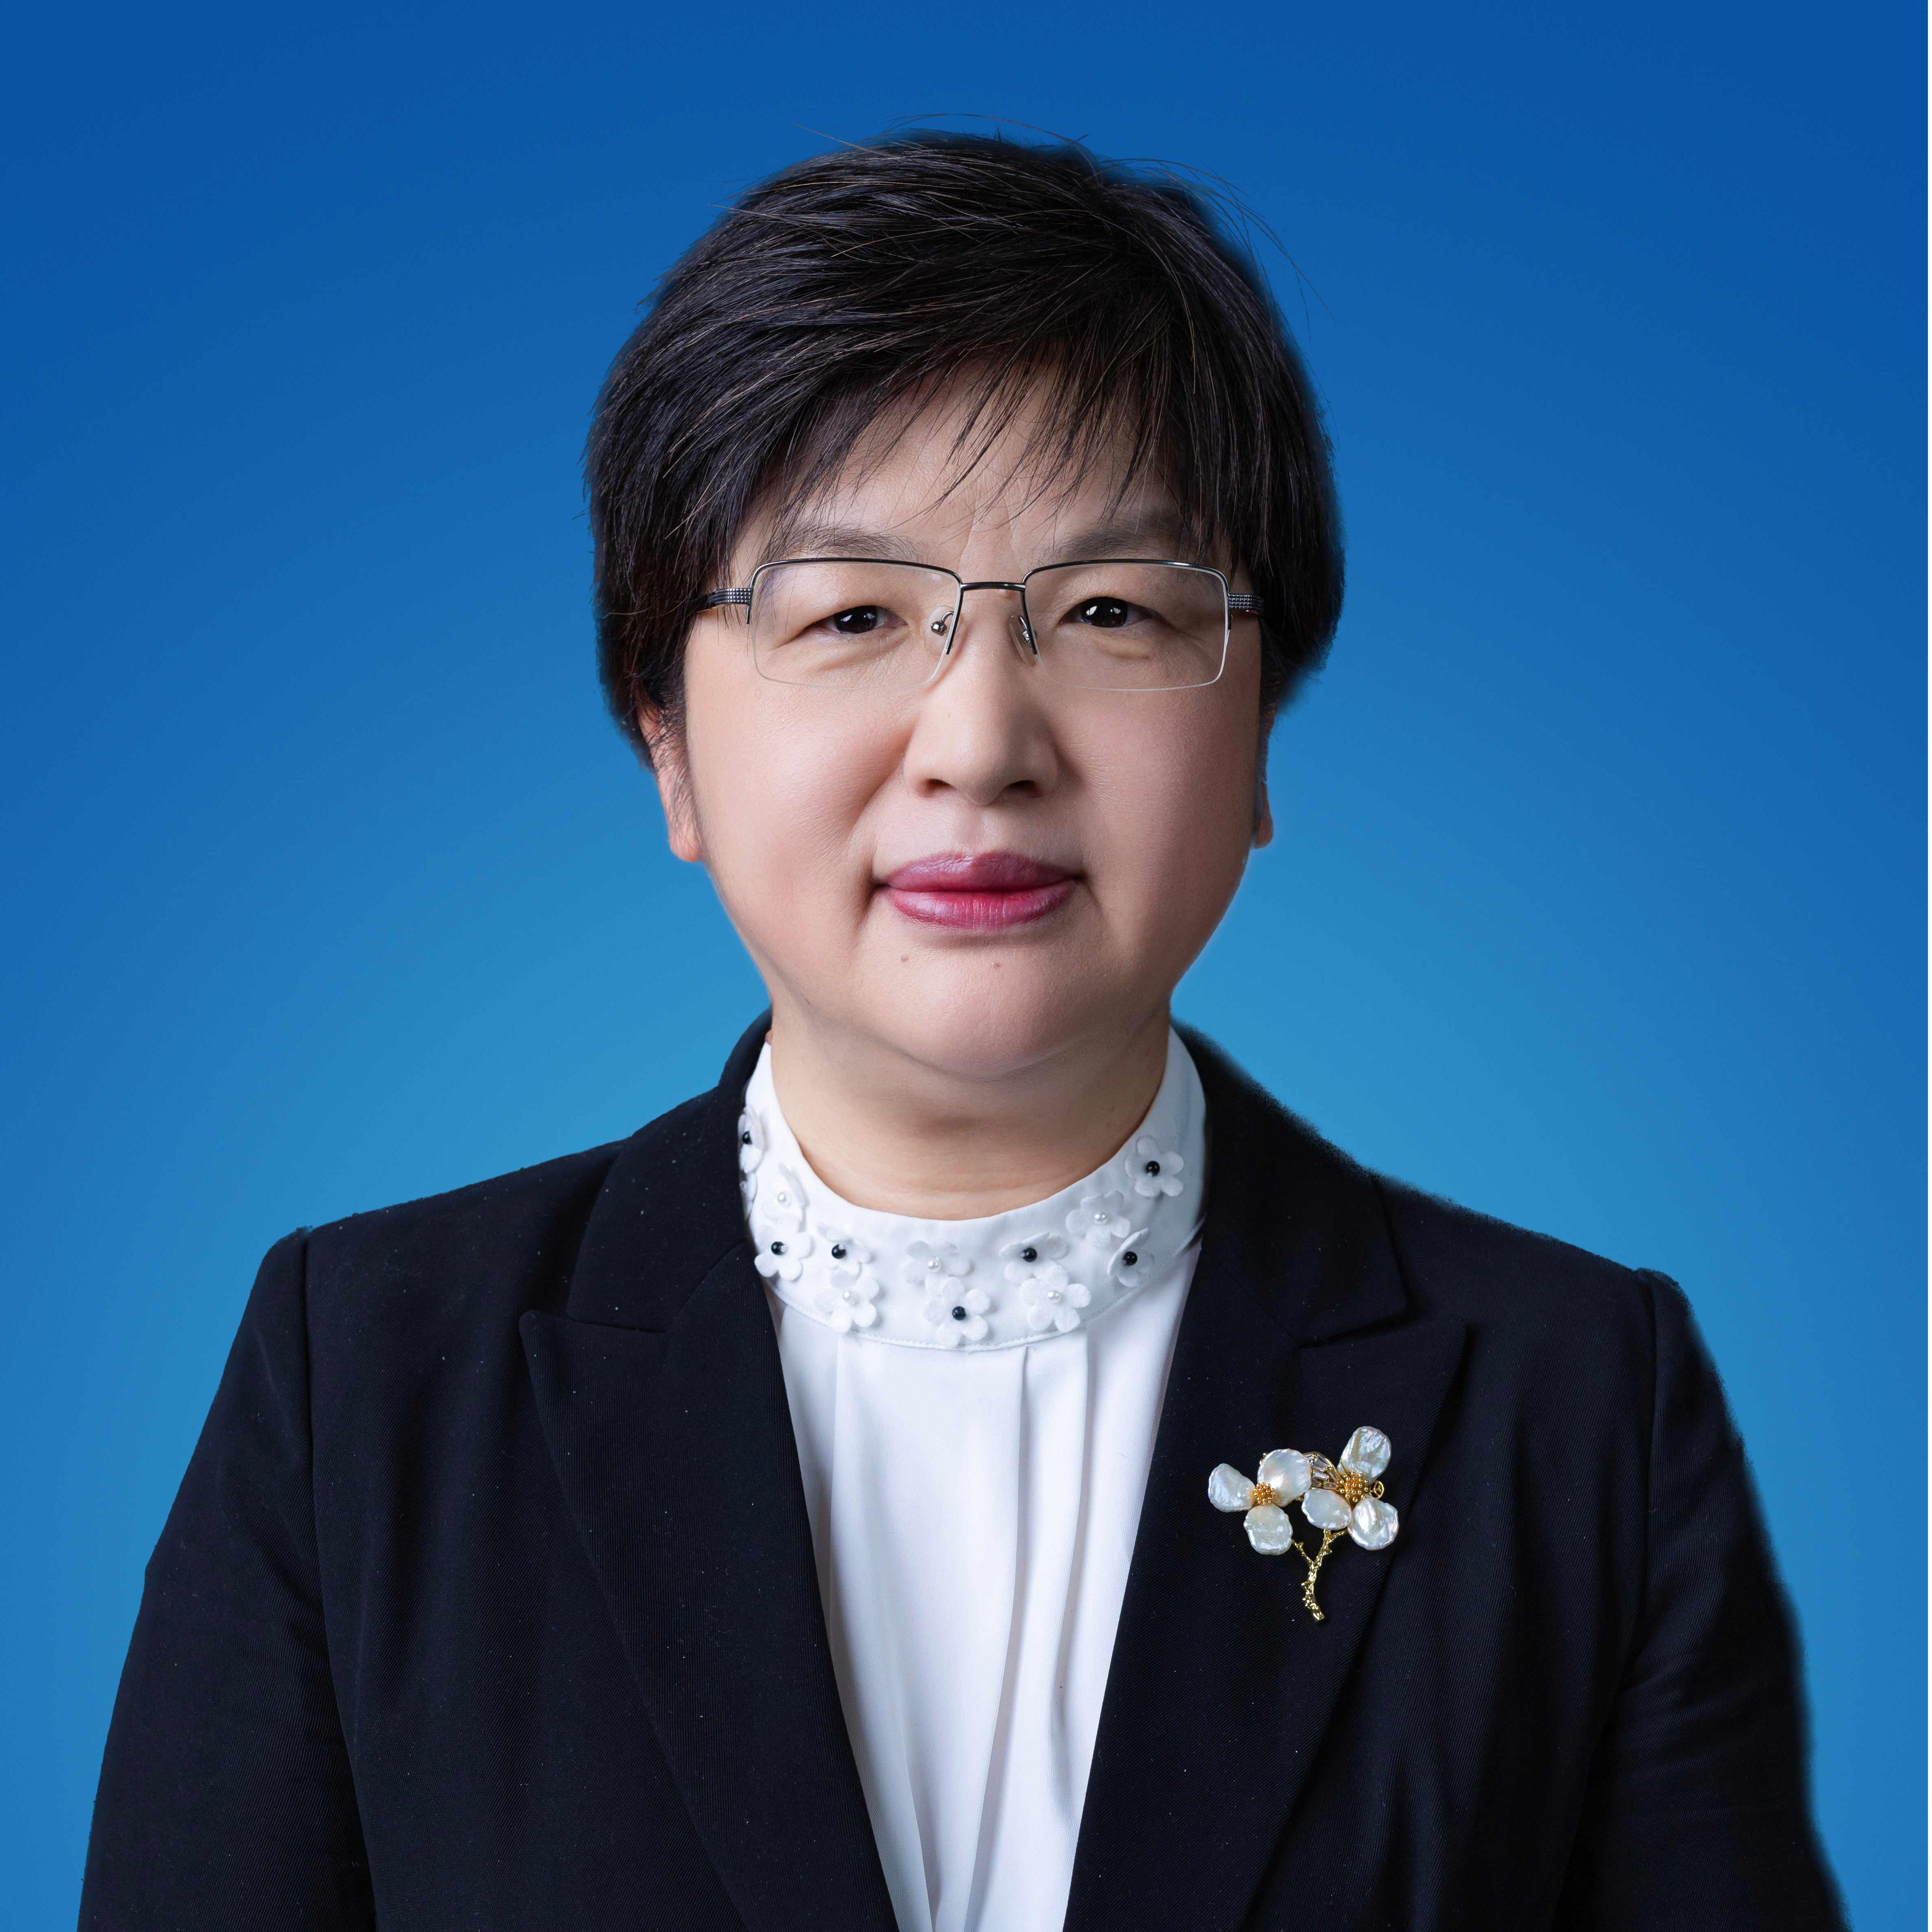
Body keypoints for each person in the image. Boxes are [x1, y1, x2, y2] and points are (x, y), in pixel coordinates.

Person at [78, 134, 1845, 1932]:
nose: (981, 741)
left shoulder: (1576, 1405)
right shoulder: (367, 1386)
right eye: (852, 612)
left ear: (1258, 739)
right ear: (667, 745)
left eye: (1110, 611)